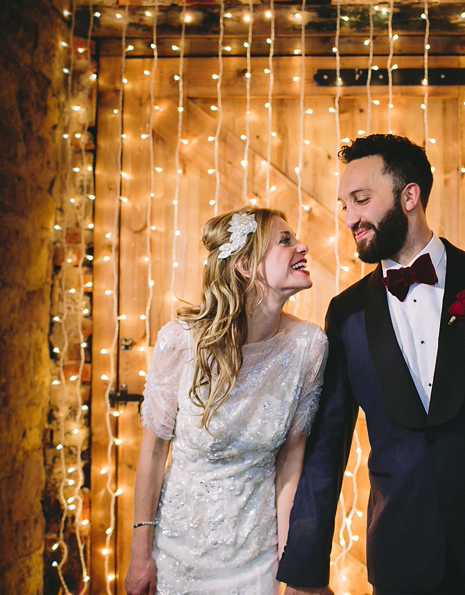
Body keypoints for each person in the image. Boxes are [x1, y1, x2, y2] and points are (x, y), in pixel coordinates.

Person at [278, 135, 465, 595]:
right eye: (343, 206)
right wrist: (305, 570)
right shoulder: (346, 312)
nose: (350, 218)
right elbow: (326, 448)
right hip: (402, 557)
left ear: (410, 196)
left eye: (360, 200)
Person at [125, 207, 329, 595]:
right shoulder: (180, 341)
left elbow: (292, 461)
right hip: (177, 555)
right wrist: (140, 556)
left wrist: (295, 566)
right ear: (245, 266)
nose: (302, 246)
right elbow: (152, 452)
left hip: (257, 557)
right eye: (285, 241)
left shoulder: (309, 346)